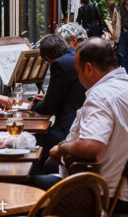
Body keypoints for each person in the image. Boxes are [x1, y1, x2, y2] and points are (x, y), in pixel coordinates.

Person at [29, 39, 128, 213]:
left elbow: (91, 147)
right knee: (49, 166)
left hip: (102, 192)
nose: (79, 77)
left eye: (78, 70)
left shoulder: (102, 95)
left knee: (22, 185)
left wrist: (62, 148)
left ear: (89, 68)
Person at [29, 35, 86, 169]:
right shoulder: (74, 56)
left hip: (68, 130)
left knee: (30, 140)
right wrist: (47, 98)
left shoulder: (59, 64)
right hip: (80, 125)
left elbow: (49, 108)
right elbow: (62, 95)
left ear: (48, 58)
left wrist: (34, 106)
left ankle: (33, 179)